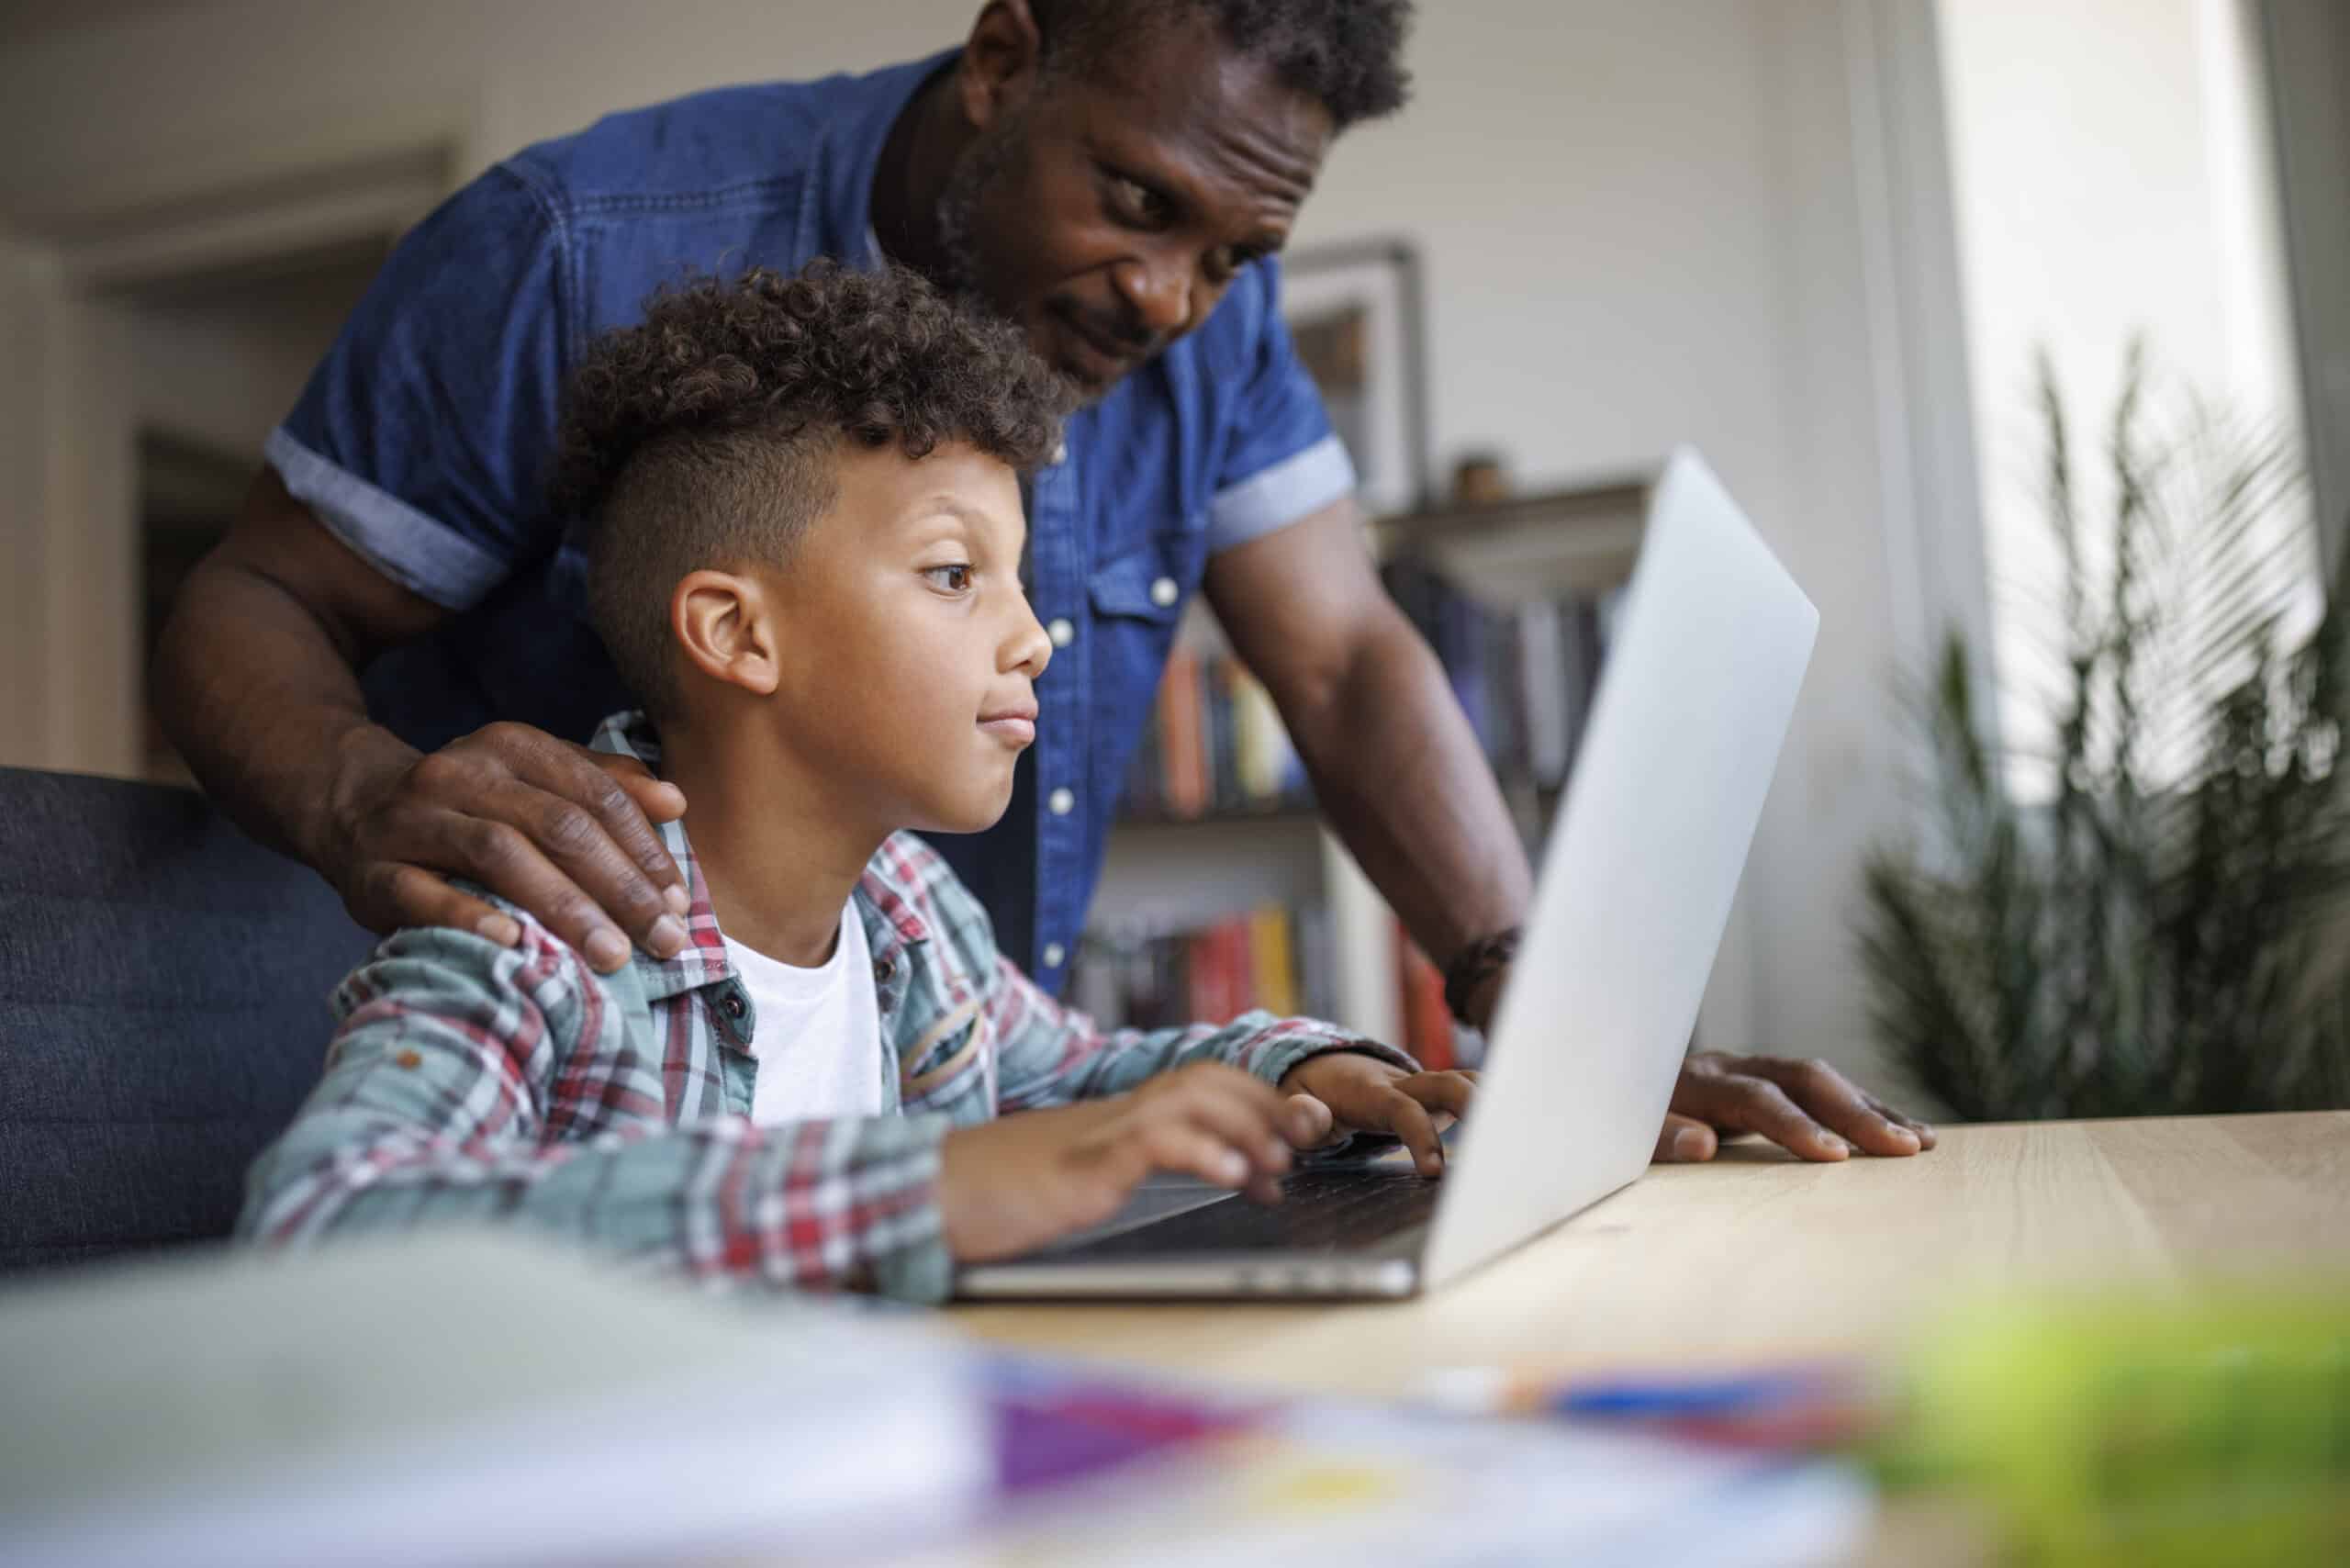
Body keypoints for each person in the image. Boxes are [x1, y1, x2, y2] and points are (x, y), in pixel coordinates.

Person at [169, 0, 1932, 1163]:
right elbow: (256, 599)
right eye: (1136, 201)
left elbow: (1340, 664)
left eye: (1238, 254)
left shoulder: (913, 939)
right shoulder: (575, 249)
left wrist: (1537, 1011)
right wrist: (364, 795)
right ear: (1006, 61)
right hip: (567, 1061)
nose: (1171, 301)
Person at [240, 263, 1487, 1296]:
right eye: (956, 575)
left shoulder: (903, 909)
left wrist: (1305, 1072)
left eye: (1017, 579)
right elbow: (328, 1226)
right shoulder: (538, 926)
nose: (1032, 636)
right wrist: (925, 1188)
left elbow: (1080, 1077)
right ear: (737, 635)